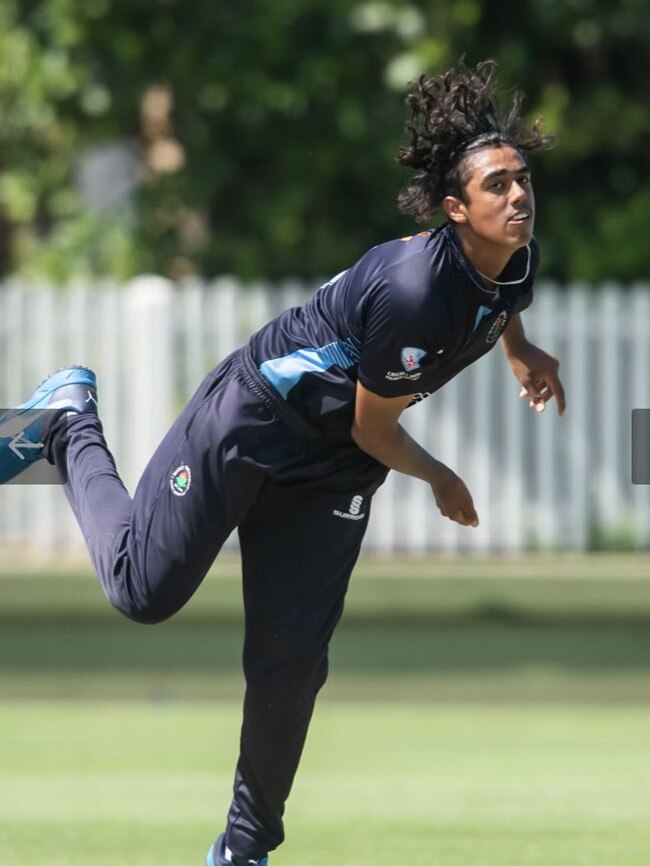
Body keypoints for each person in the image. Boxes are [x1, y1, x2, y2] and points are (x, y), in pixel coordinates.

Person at [0, 59, 565, 865]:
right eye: (498, 186)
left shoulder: (515, 260)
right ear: (454, 209)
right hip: (254, 419)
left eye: (522, 181)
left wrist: (522, 351)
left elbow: (503, 303)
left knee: (291, 664)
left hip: (331, 471)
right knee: (141, 590)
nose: (518, 197)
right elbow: (378, 429)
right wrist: (443, 477)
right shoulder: (412, 292)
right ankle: (65, 423)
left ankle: (245, 848)